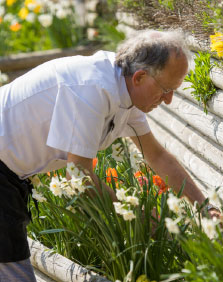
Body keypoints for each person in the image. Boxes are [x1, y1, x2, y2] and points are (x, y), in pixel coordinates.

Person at [0, 29, 220, 281]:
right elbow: (79, 177)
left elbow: (157, 156)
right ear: (140, 77)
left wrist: (206, 208)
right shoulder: (91, 91)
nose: (168, 100)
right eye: (166, 89)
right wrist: (137, 216)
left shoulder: (125, 91)